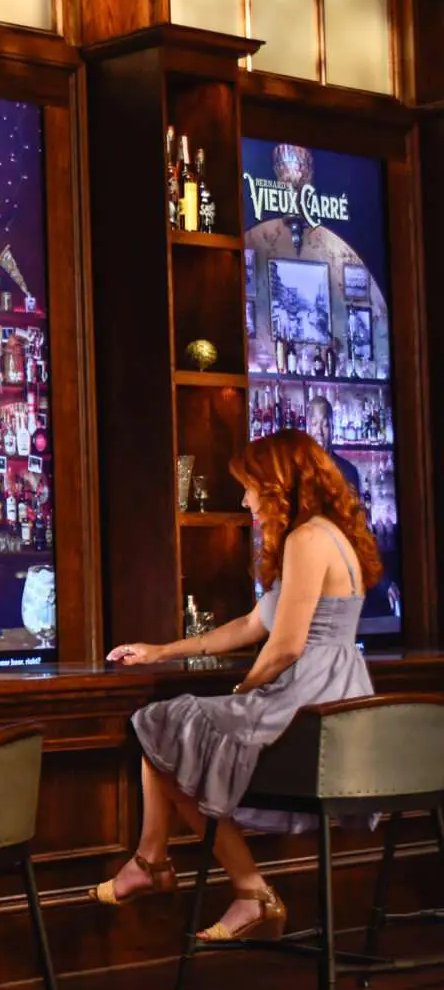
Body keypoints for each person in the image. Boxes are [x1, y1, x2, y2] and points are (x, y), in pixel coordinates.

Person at [100, 430, 379, 941]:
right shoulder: (323, 533)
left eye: (250, 486)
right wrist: (162, 650)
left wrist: (243, 692)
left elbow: (287, 646)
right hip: (331, 695)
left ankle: (224, 882)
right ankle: (163, 863)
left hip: (313, 707)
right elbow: (253, 626)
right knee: (164, 731)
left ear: (278, 484)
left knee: (162, 727)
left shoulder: (307, 539)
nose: (245, 499)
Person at [303, 396, 364, 501]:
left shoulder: (348, 472)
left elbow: (356, 515)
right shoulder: (295, 471)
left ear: (333, 430)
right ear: (307, 429)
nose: (319, 432)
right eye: (314, 424)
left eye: (325, 425)